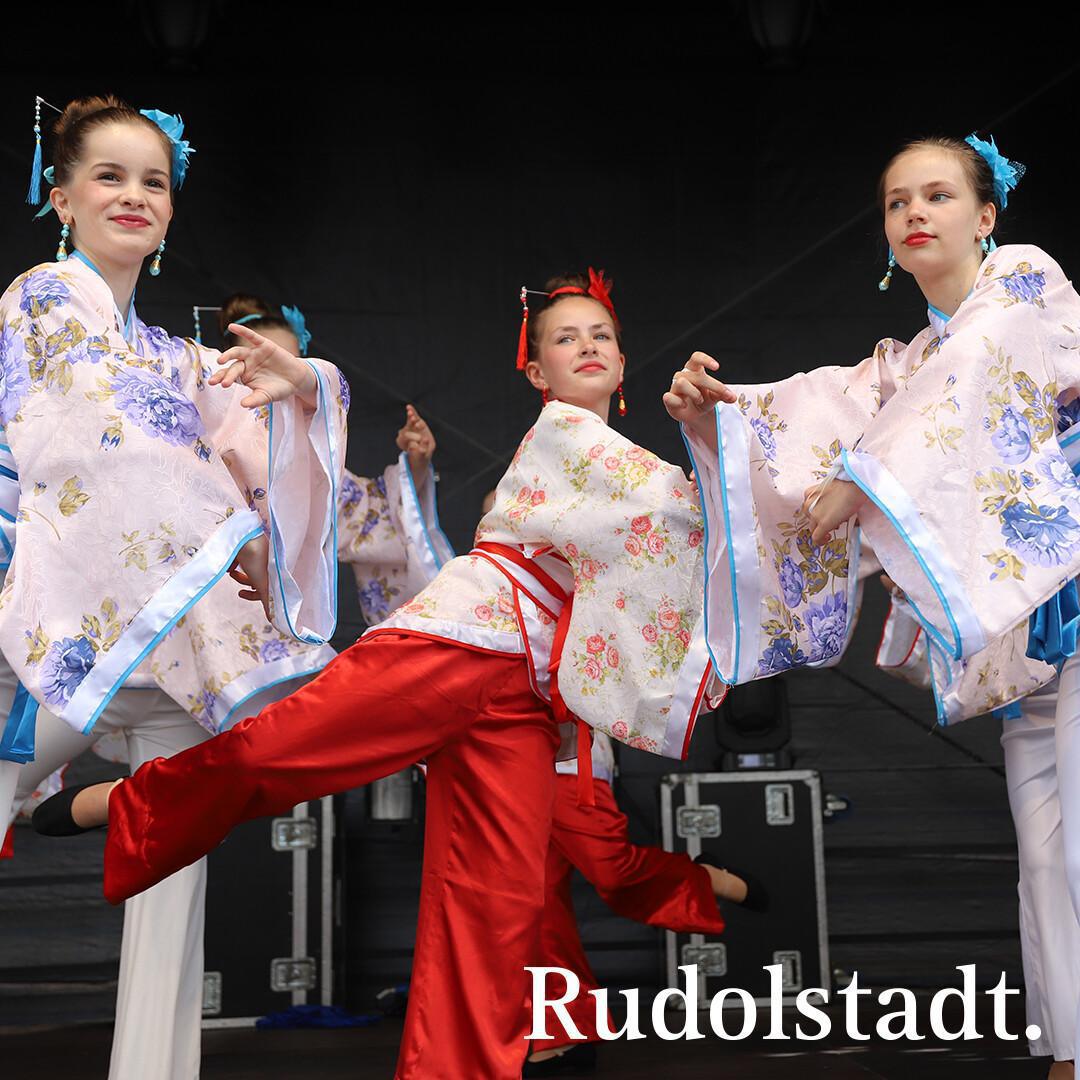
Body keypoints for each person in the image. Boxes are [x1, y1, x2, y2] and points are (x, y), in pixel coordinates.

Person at [37, 269, 759, 1079]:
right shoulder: (568, 436)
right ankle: (135, 801)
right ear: (536, 372)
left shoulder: (617, 457)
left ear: (624, 364)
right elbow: (687, 512)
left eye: (602, 336)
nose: (587, 346)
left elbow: (672, 543)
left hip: (522, 692)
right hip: (456, 645)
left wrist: (703, 433)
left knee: (500, 910)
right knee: (278, 753)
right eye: (566, 337)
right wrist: (711, 433)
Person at [665, 133, 1080, 1078]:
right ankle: (1068, 1050)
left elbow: (960, 388)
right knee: (1047, 859)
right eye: (898, 203)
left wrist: (865, 480)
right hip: (1027, 640)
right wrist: (720, 416)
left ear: (986, 216)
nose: (915, 215)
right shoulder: (914, 359)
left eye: (937, 196)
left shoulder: (1024, 286)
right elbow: (832, 405)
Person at [0, 93, 346, 1080]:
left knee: (171, 884)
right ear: (59, 195)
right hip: (48, 625)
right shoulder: (44, 304)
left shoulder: (172, 355)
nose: (133, 195)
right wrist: (224, 525)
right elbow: (116, 440)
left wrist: (302, 385)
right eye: (107, 175)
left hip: (166, 645)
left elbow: (258, 426)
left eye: (153, 180)